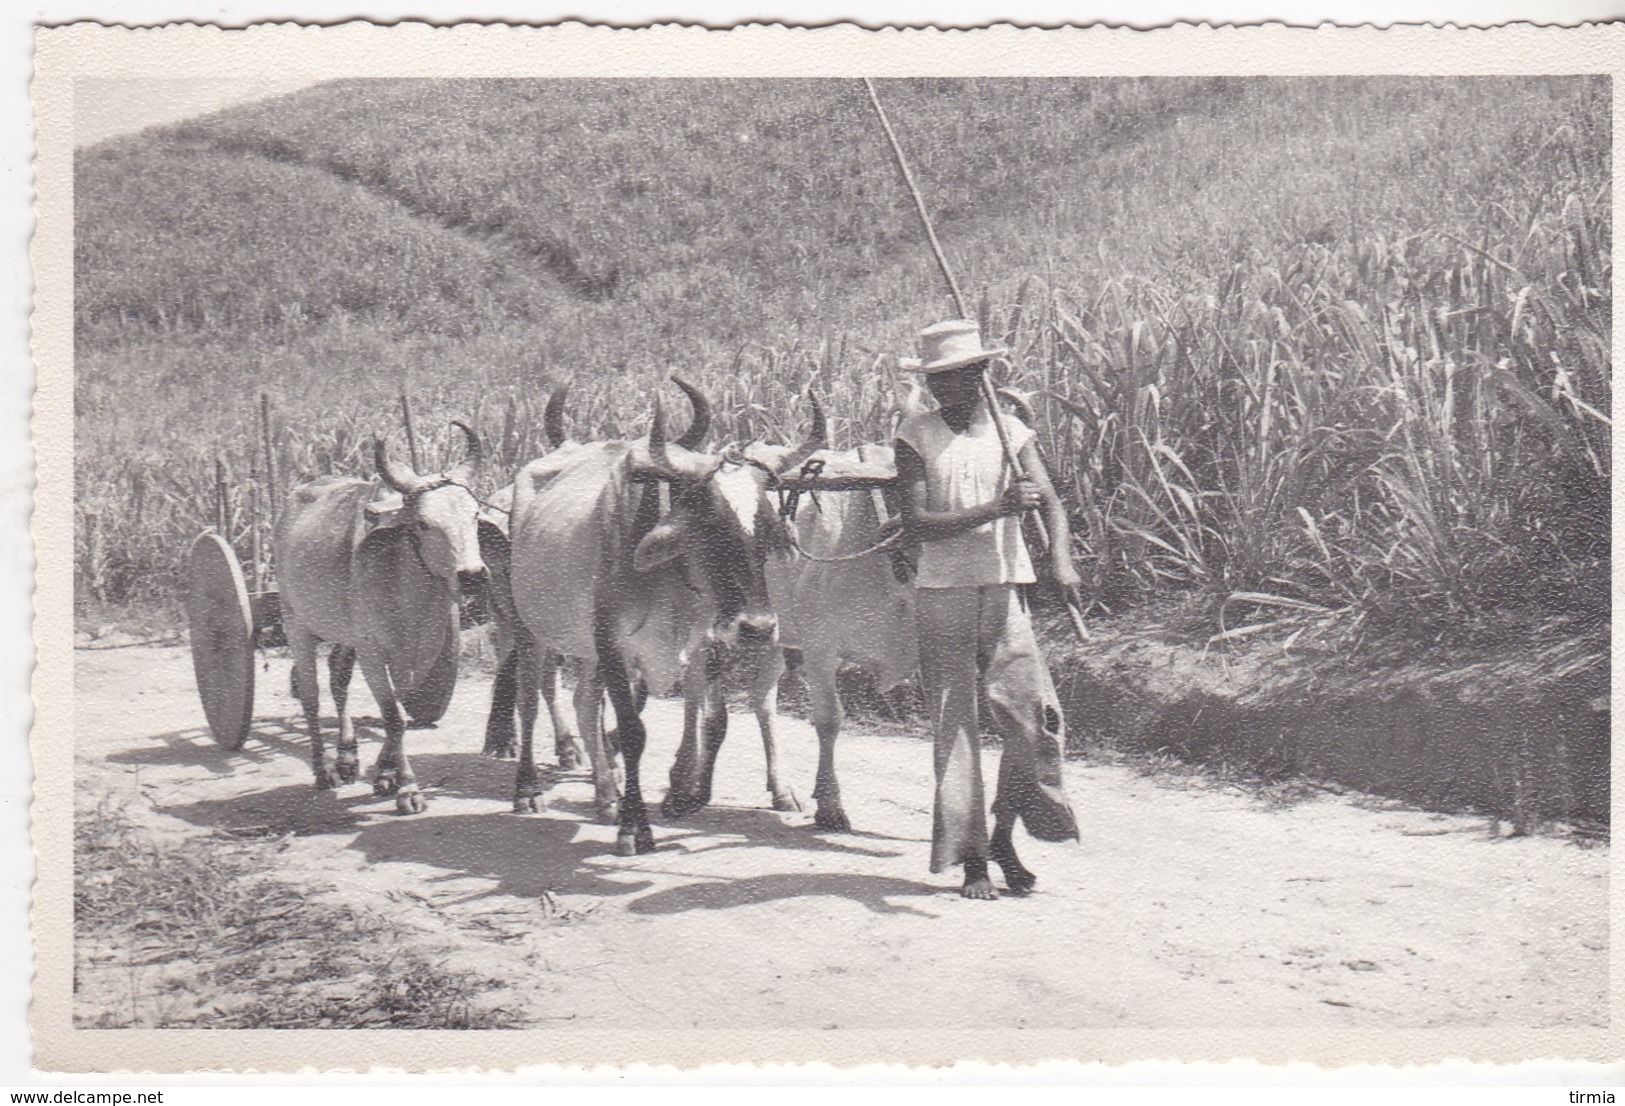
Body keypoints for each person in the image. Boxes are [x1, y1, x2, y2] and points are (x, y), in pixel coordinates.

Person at [893, 318, 1082, 900]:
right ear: (929, 384)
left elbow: (1049, 501)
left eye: (964, 375)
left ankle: (1003, 831)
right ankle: (971, 856)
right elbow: (916, 522)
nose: (953, 387)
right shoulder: (915, 435)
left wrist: (1061, 559)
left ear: (982, 374)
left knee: (1033, 721)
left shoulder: (1012, 430)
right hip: (943, 594)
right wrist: (996, 509)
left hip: (1005, 588)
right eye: (941, 379)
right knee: (956, 729)